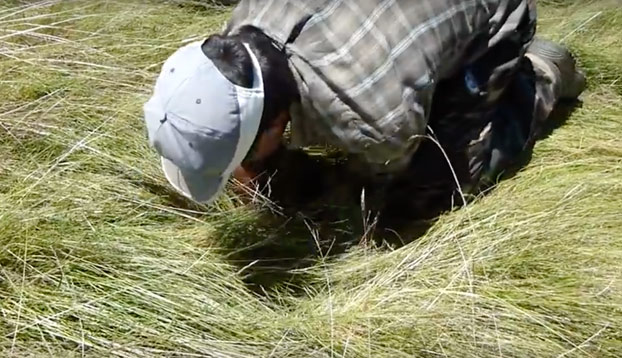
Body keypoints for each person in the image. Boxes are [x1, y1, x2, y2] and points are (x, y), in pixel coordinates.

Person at [142, 0, 586, 218]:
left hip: (493, 14)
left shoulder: (372, 121)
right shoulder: (240, 27)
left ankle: (538, 76)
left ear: (277, 124)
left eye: (245, 156)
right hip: (397, 24)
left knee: (437, 187)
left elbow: (390, 164)